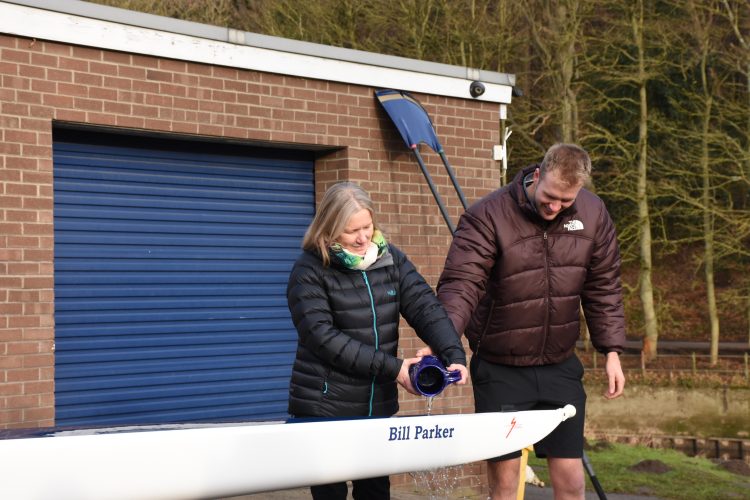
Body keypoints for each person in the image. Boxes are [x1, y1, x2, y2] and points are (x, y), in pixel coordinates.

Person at [434, 143, 626, 500]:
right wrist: (441, 339)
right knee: (506, 484)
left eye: (565, 202)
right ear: (537, 175)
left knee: (571, 482)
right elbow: (462, 283)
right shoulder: (488, 215)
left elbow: (604, 285)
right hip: (501, 369)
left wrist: (612, 350)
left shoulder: (594, 213)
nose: (555, 207)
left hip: (560, 366)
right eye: (550, 196)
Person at [286, 181, 469, 500]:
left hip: (376, 406)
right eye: (350, 231)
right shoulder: (309, 270)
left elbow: (425, 306)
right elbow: (323, 338)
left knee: (375, 492)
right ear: (328, 230)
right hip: (326, 406)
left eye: (367, 227)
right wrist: (395, 368)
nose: (362, 237)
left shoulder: (390, 259)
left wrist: (452, 352)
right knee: (330, 494)